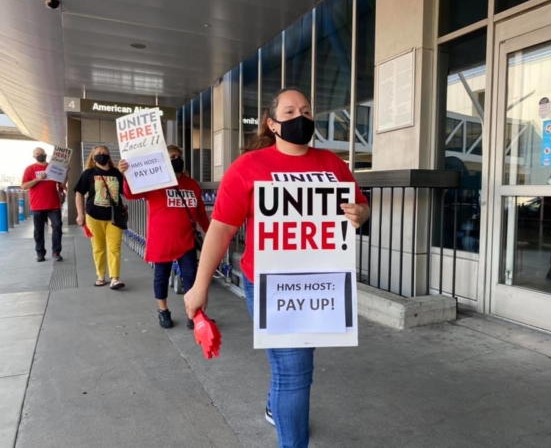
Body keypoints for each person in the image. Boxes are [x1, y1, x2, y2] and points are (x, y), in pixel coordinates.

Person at [184, 88, 370, 448]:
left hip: (321, 283)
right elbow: (222, 227)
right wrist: (199, 285)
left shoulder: (332, 163)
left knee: (294, 360)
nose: (300, 116)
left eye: (305, 110)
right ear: (272, 123)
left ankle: (275, 404)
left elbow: (360, 207)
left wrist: (361, 213)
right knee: (295, 371)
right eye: (289, 111)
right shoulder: (248, 167)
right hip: (271, 283)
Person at [118, 145, 210, 329]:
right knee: (161, 276)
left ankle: (195, 315)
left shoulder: (191, 184)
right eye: (170, 157)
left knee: (191, 277)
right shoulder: (155, 183)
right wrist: (127, 175)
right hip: (162, 239)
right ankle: (163, 311)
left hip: (187, 239)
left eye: (178, 156)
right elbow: (131, 194)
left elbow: (199, 211)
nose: (175, 159)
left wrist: (210, 232)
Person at [74, 146, 126, 290]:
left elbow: (127, 190)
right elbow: (79, 193)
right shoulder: (88, 173)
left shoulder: (117, 173)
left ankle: (115, 278)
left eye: (105, 153)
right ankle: (100, 276)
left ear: (109, 156)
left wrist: (126, 174)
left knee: (114, 248)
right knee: (98, 248)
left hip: (114, 217)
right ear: (93, 157)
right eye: (98, 153)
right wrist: (80, 214)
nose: (102, 155)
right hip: (93, 217)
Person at [21, 147, 65, 262]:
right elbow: (24, 186)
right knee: (38, 230)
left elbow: (61, 184)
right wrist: (38, 179)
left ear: (46, 154)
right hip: (37, 205)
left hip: (53, 204)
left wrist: (65, 173)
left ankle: (56, 252)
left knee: (57, 227)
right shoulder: (30, 169)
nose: (40, 155)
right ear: (34, 156)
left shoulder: (53, 168)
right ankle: (40, 253)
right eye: (37, 153)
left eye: (42, 153)